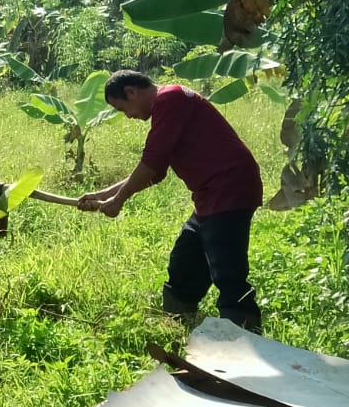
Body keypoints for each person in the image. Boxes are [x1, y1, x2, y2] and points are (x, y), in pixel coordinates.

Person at [79, 70, 263, 331]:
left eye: (123, 109)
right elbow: (154, 172)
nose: (128, 116)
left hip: (228, 189)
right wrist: (103, 196)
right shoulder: (170, 102)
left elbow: (151, 165)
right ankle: (177, 324)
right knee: (185, 261)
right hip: (210, 195)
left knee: (227, 270)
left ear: (132, 92)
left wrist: (117, 201)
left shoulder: (171, 99)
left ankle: (245, 333)